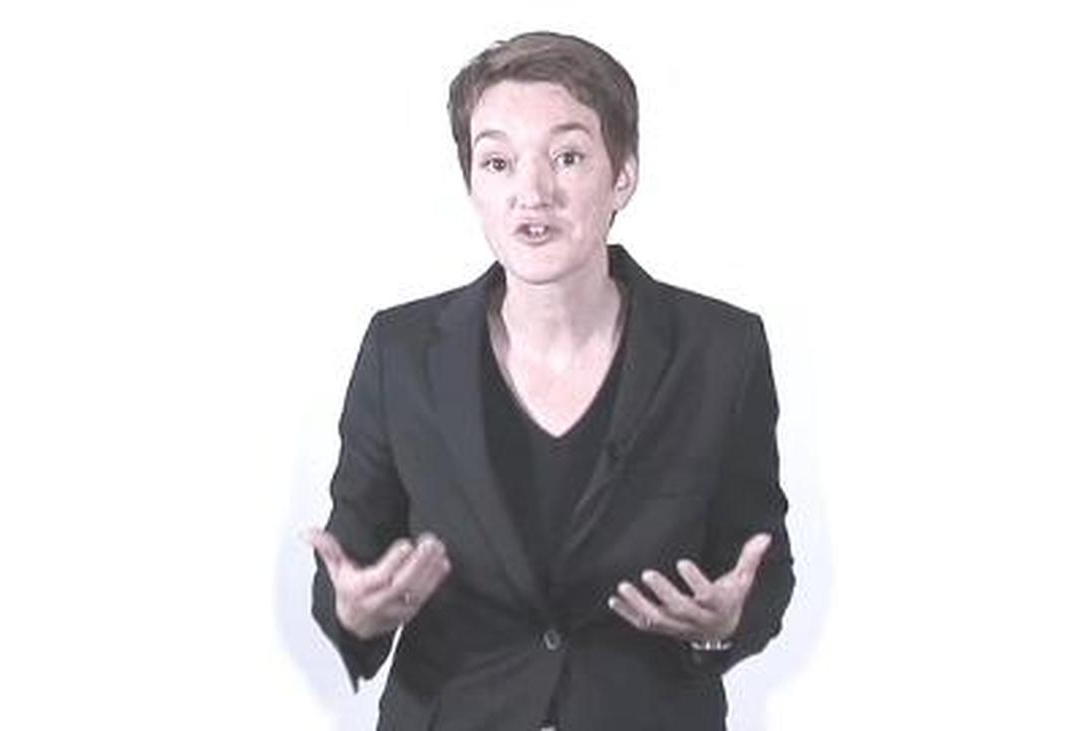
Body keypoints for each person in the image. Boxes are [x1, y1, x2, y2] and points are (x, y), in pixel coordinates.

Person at [306, 30, 794, 730]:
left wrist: (725, 622)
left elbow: (760, 561)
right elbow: (349, 564)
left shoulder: (721, 349)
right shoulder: (400, 351)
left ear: (622, 175)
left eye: (567, 157)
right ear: (472, 184)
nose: (532, 193)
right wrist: (352, 611)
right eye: (498, 162)